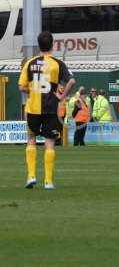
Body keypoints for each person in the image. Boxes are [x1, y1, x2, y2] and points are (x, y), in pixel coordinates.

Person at [18, 31, 75, 189]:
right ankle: (48, 181)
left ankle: (31, 176)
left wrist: (32, 91)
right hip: (51, 109)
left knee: (31, 139)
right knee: (49, 143)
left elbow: (21, 86)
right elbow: (72, 80)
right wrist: (61, 96)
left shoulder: (30, 63)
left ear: (39, 45)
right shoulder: (57, 63)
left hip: (32, 108)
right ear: (52, 44)